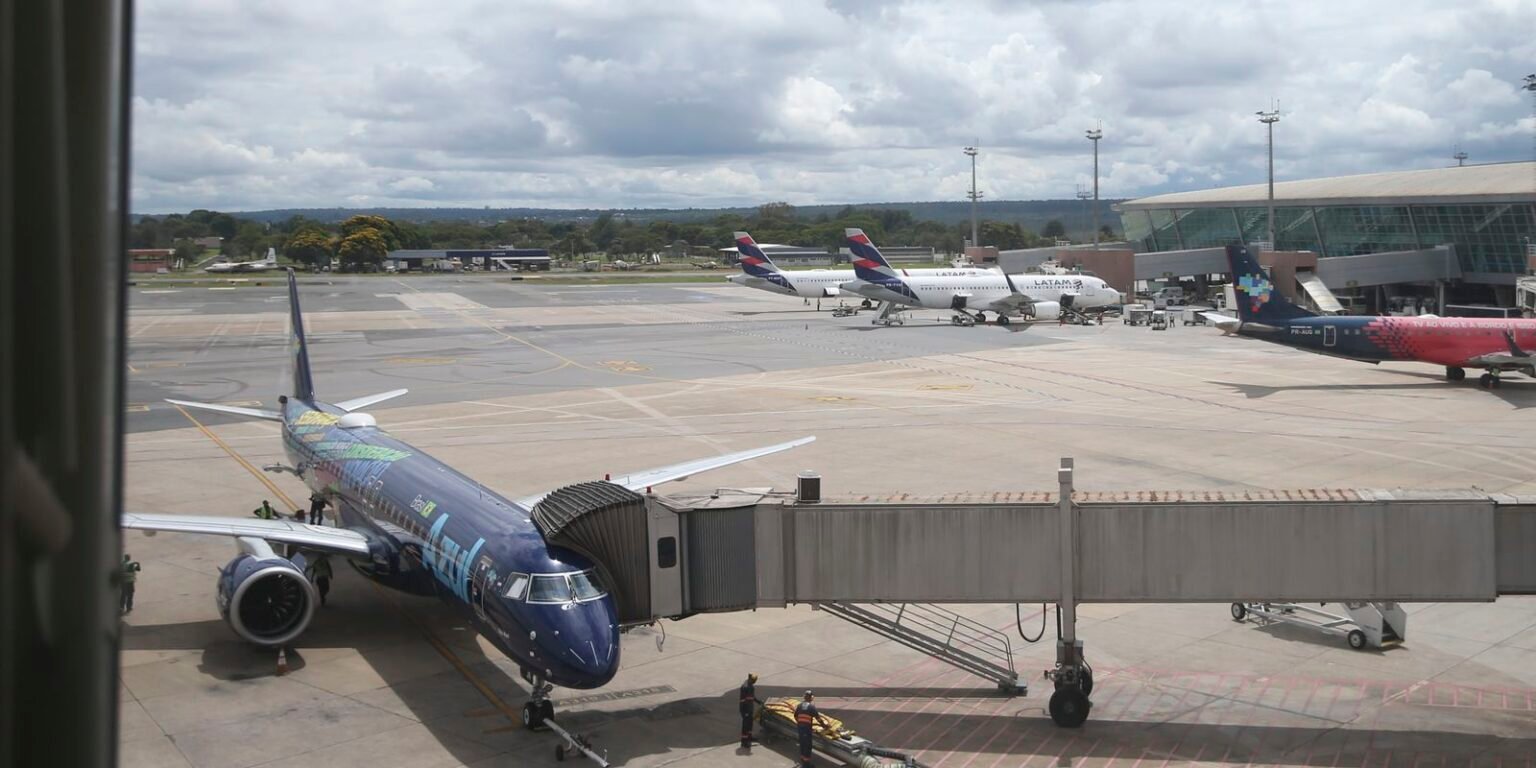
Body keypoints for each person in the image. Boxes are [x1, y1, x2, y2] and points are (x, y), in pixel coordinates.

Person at [793, 690, 830, 766]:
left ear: (804, 697)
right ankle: (806, 764)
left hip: (800, 728)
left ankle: (803, 760)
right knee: (807, 746)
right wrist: (824, 726)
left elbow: (795, 716)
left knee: (802, 744)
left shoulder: (799, 706)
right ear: (811, 698)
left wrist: (800, 723)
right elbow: (818, 719)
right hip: (807, 730)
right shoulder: (811, 707)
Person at [738, 673, 759, 750]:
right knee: (745, 726)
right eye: (754, 680)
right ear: (750, 678)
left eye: (755, 680)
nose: (755, 682)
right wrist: (745, 712)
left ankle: (749, 737)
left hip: (750, 708)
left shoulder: (751, 686)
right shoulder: (745, 687)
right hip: (745, 709)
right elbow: (743, 701)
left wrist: (758, 701)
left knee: (750, 723)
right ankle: (744, 741)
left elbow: (751, 696)